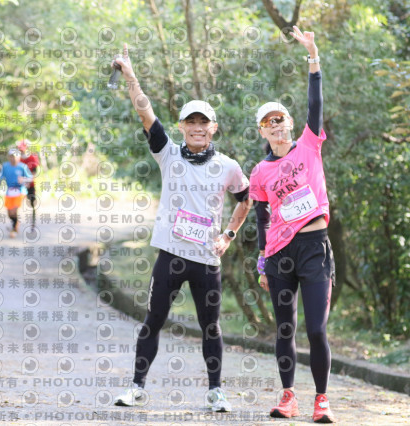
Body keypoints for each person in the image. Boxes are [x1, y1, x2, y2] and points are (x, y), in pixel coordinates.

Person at [111, 43, 252, 412]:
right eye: (191, 122)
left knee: (211, 327)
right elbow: (145, 111)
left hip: (207, 260)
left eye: (204, 123)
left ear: (213, 128)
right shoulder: (168, 154)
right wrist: (130, 74)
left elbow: (246, 199)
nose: (197, 128)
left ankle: (216, 392)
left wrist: (229, 235)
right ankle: (136, 387)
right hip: (171, 257)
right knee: (153, 320)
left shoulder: (228, 166)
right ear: (182, 127)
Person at [249, 26, 336, 423]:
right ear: (262, 130)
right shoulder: (260, 172)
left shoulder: (309, 143)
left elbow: (315, 100)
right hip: (279, 255)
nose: (276, 125)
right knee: (285, 329)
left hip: (314, 248)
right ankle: (288, 397)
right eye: (269, 122)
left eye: (280, 119)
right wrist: (262, 261)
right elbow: (262, 217)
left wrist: (312, 55)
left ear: (288, 122)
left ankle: (322, 400)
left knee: (316, 329)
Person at [0, 148, 33, 238]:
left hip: (20, 191)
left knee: (14, 210)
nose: (13, 158)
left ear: (19, 157)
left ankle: (14, 228)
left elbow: (30, 178)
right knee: (10, 212)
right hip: (9, 191)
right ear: (9, 157)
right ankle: (15, 223)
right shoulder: (5, 166)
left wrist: (23, 179)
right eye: (11, 156)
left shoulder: (22, 167)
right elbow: (0, 177)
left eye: (15, 156)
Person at [16, 139, 40, 215]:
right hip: (20, 181)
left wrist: (29, 180)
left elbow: (34, 170)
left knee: (31, 197)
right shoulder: (18, 158)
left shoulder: (32, 157)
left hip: (30, 181)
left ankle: (33, 210)